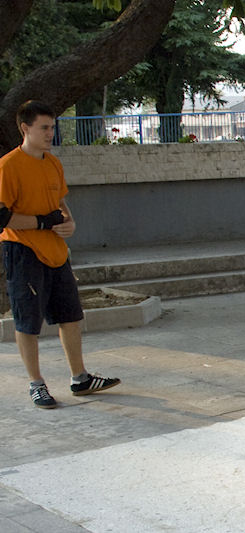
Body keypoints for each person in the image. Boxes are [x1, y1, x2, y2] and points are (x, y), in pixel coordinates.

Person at [0, 100, 120, 409]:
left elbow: (61, 202)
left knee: (70, 316)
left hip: (56, 252)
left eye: (52, 127)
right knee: (28, 321)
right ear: (25, 128)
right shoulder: (8, 166)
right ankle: (36, 383)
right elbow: (2, 217)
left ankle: (80, 378)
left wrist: (70, 222)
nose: (50, 133)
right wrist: (41, 223)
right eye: (44, 127)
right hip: (23, 251)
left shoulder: (52, 163)